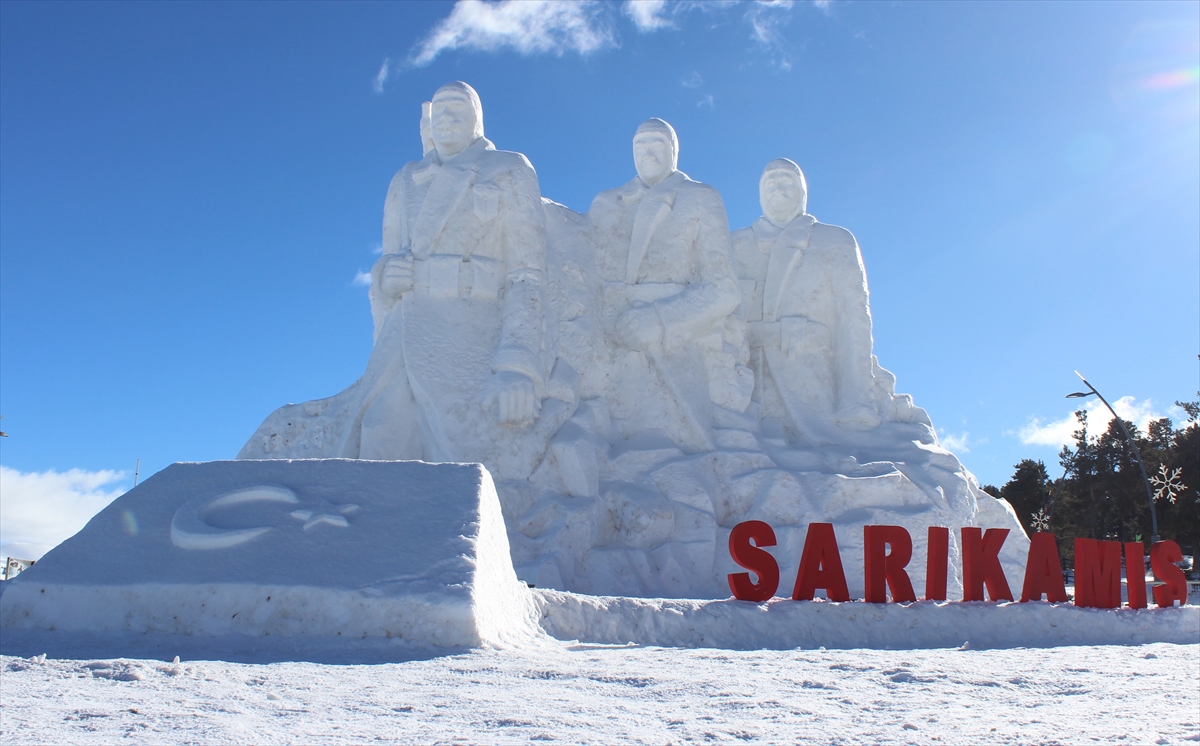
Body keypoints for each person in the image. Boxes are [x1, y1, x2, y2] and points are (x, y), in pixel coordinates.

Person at [241, 81, 551, 480]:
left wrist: (518, 366)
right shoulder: (406, 180)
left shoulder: (507, 169)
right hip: (404, 336)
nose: (447, 119)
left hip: (470, 335)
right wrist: (386, 278)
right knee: (379, 433)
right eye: (439, 111)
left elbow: (526, 274)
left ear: (477, 119)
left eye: (458, 109)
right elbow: (387, 264)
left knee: (462, 459)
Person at [587, 118, 745, 454]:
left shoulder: (699, 197)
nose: (647, 152)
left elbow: (723, 287)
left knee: (663, 454)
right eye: (639, 145)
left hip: (670, 344)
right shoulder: (605, 202)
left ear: (674, 152)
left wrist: (659, 320)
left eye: (657, 143)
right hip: (602, 341)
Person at [731, 158, 881, 444]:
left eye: (787, 180)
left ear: (803, 191)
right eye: (770, 182)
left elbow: (854, 320)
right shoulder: (733, 244)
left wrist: (856, 399)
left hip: (811, 387)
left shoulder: (833, 239)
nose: (778, 188)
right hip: (743, 392)